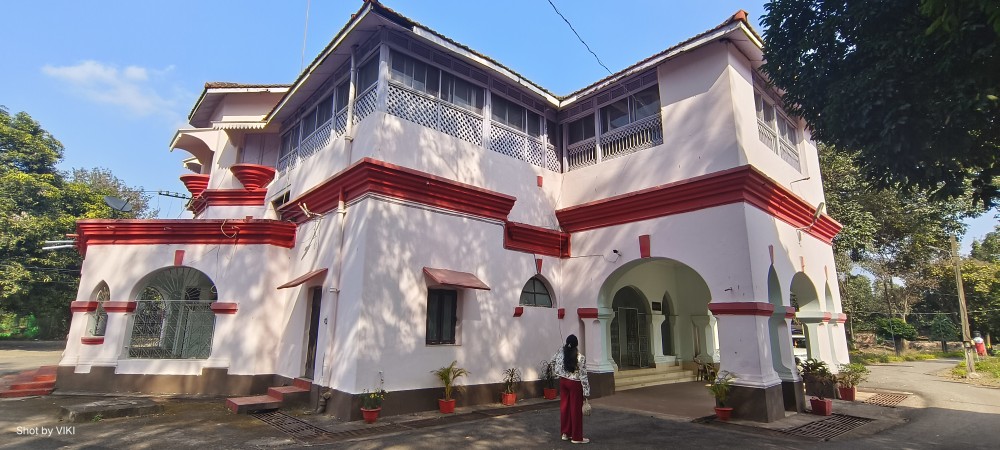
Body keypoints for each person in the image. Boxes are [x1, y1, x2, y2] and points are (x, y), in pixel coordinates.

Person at [551, 334, 590, 444]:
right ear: (576, 344)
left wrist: (558, 372)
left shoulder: (560, 353)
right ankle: (577, 437)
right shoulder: (580, 357)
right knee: (575, 410)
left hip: (563, 381)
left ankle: (565, 433)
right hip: (575, 384)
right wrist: (586, 392)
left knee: (565, 407)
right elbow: (583, 375)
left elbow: (552, 361)